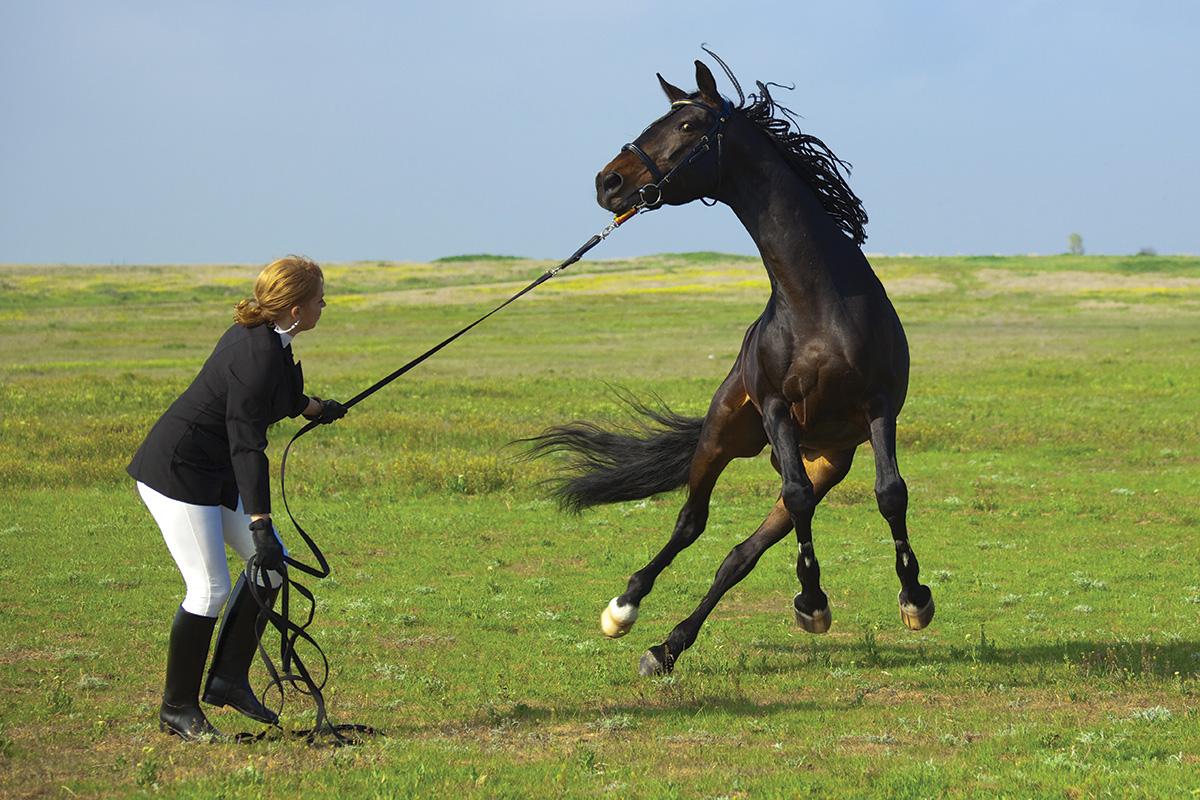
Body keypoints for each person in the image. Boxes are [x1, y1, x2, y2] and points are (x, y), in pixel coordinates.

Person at [127, 255, 347, 740]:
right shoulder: (255, 354)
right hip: (177, 473)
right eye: (318, 299)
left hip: (212, 475)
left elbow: (282, 397)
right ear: (293, 308)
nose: (324, 304)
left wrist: (319, 409)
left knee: (270, 567)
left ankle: (227, 679)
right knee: (210, 590)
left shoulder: (272, 339)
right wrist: (260, 524)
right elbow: (247, 443)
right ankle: (177, 708)